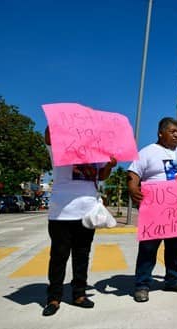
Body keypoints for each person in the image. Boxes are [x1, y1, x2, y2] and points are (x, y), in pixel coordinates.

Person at [42, 127, 117, 317]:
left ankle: (79, 294)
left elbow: (101, 176)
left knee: (82, 256)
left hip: (88, 213)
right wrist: (60, 120)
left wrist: (109, 166)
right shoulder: (60, 148)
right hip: (61, 213)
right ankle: (54, 297)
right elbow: (49, 136)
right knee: (59, 257)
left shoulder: (96, 153)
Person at [127, 117, 177, 303]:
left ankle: (173, 280)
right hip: (155, 212)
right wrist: (133, 188)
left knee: (176, 248)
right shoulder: (147, 152)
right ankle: (142, 284)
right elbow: (133, 173)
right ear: (160, 133)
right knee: (148, 250)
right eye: (173, 131)